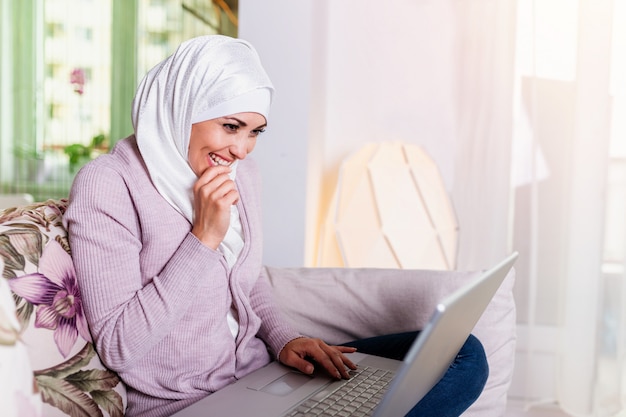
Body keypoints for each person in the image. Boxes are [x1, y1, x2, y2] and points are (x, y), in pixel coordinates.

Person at [65, 35, 488, 417]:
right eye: (230, 126)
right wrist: (203, 236)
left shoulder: (240, 175)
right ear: (182, 108)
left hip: (262, 378)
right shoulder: (110, 184)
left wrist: (284, 338)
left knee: (462, 354)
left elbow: (247, 283)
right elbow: (121, 346)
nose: (241, 149)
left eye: (255, 132)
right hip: (188, 403)